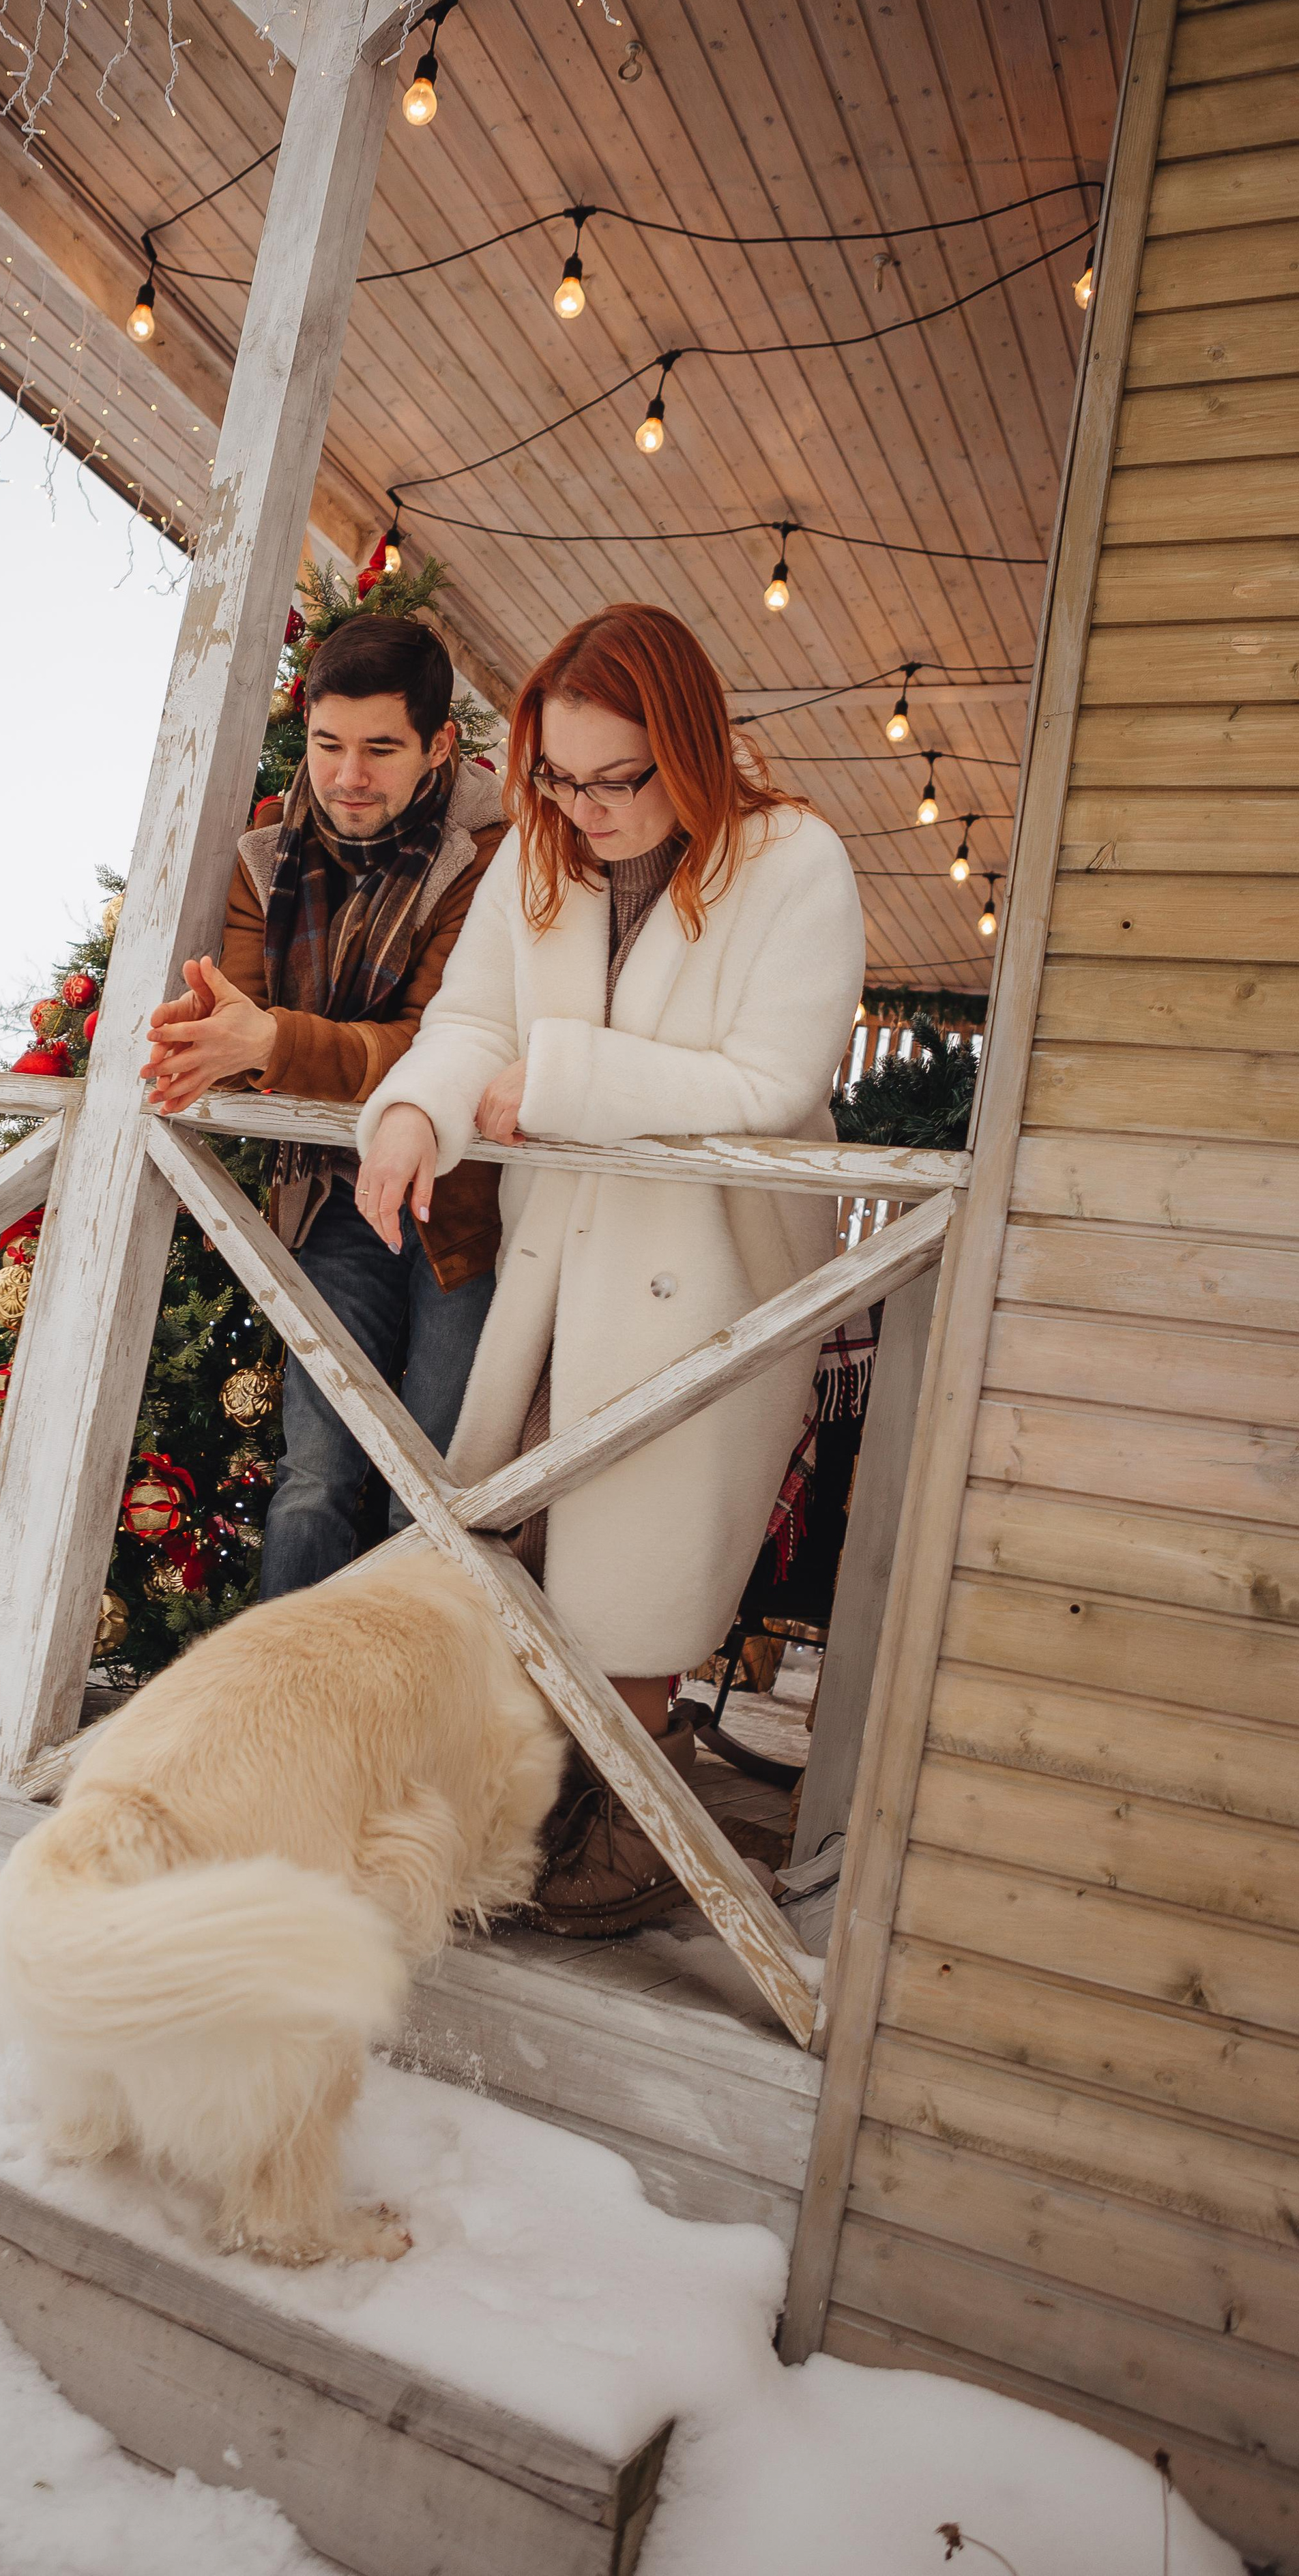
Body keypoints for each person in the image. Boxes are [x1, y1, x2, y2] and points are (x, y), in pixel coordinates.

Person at [354, 602, 865, 1936]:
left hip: (705, 1277)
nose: (586, 808)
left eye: (616, 779)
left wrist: (564, 1078)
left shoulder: (791, 860)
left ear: (684, 745)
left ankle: (632, 1832)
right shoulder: (543, 846)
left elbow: (774, 1077)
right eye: (561, 779)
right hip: (558, 1259)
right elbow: (469, 1020)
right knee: (510, 1532)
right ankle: (519, 1824)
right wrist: (414, 1109)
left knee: (639, 1569)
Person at [141, 614, 506, 1597]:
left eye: (381, 749)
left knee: (429, 1495)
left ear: (438, 746)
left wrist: (273, 1044)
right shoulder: (271, 859)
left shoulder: (493, 861)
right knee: (313, 1478)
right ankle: (275, 1729)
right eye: (328, 744)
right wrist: (224, 1039)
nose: (348, 775)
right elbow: (242, 1018)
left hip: (463, 1215)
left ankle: (391, 1737)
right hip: (329, 1206)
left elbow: (443, 1043)